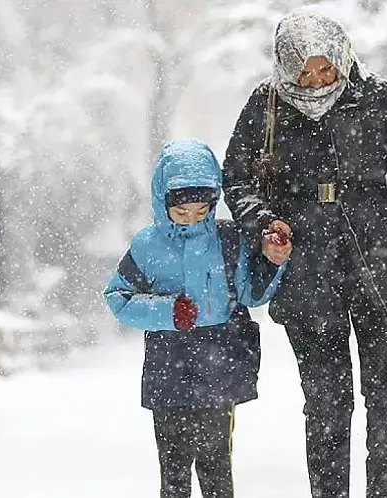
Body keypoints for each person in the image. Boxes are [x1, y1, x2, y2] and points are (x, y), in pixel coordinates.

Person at [222, 10, 387, 498]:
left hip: (384, 266)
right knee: (326, 403)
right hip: (306, 272)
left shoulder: (374, 99)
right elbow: (238, 178)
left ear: (340, 57)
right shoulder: (265, 105)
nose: (315, 82)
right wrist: (263, 222)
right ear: (285, 67)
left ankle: (385, 491)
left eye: (325, 69)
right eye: (303, 72)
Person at [104, 138, 290, 498]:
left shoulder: (228, 238)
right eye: (181, 212)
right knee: (173, 469)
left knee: (216, 464)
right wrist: (167, 311)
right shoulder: (147, 246)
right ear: (163, 202)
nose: (192, 219)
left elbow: (250, 294)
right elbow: (118, 298)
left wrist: (273, 262)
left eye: (202, 210)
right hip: (168, 366)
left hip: (219, 366)